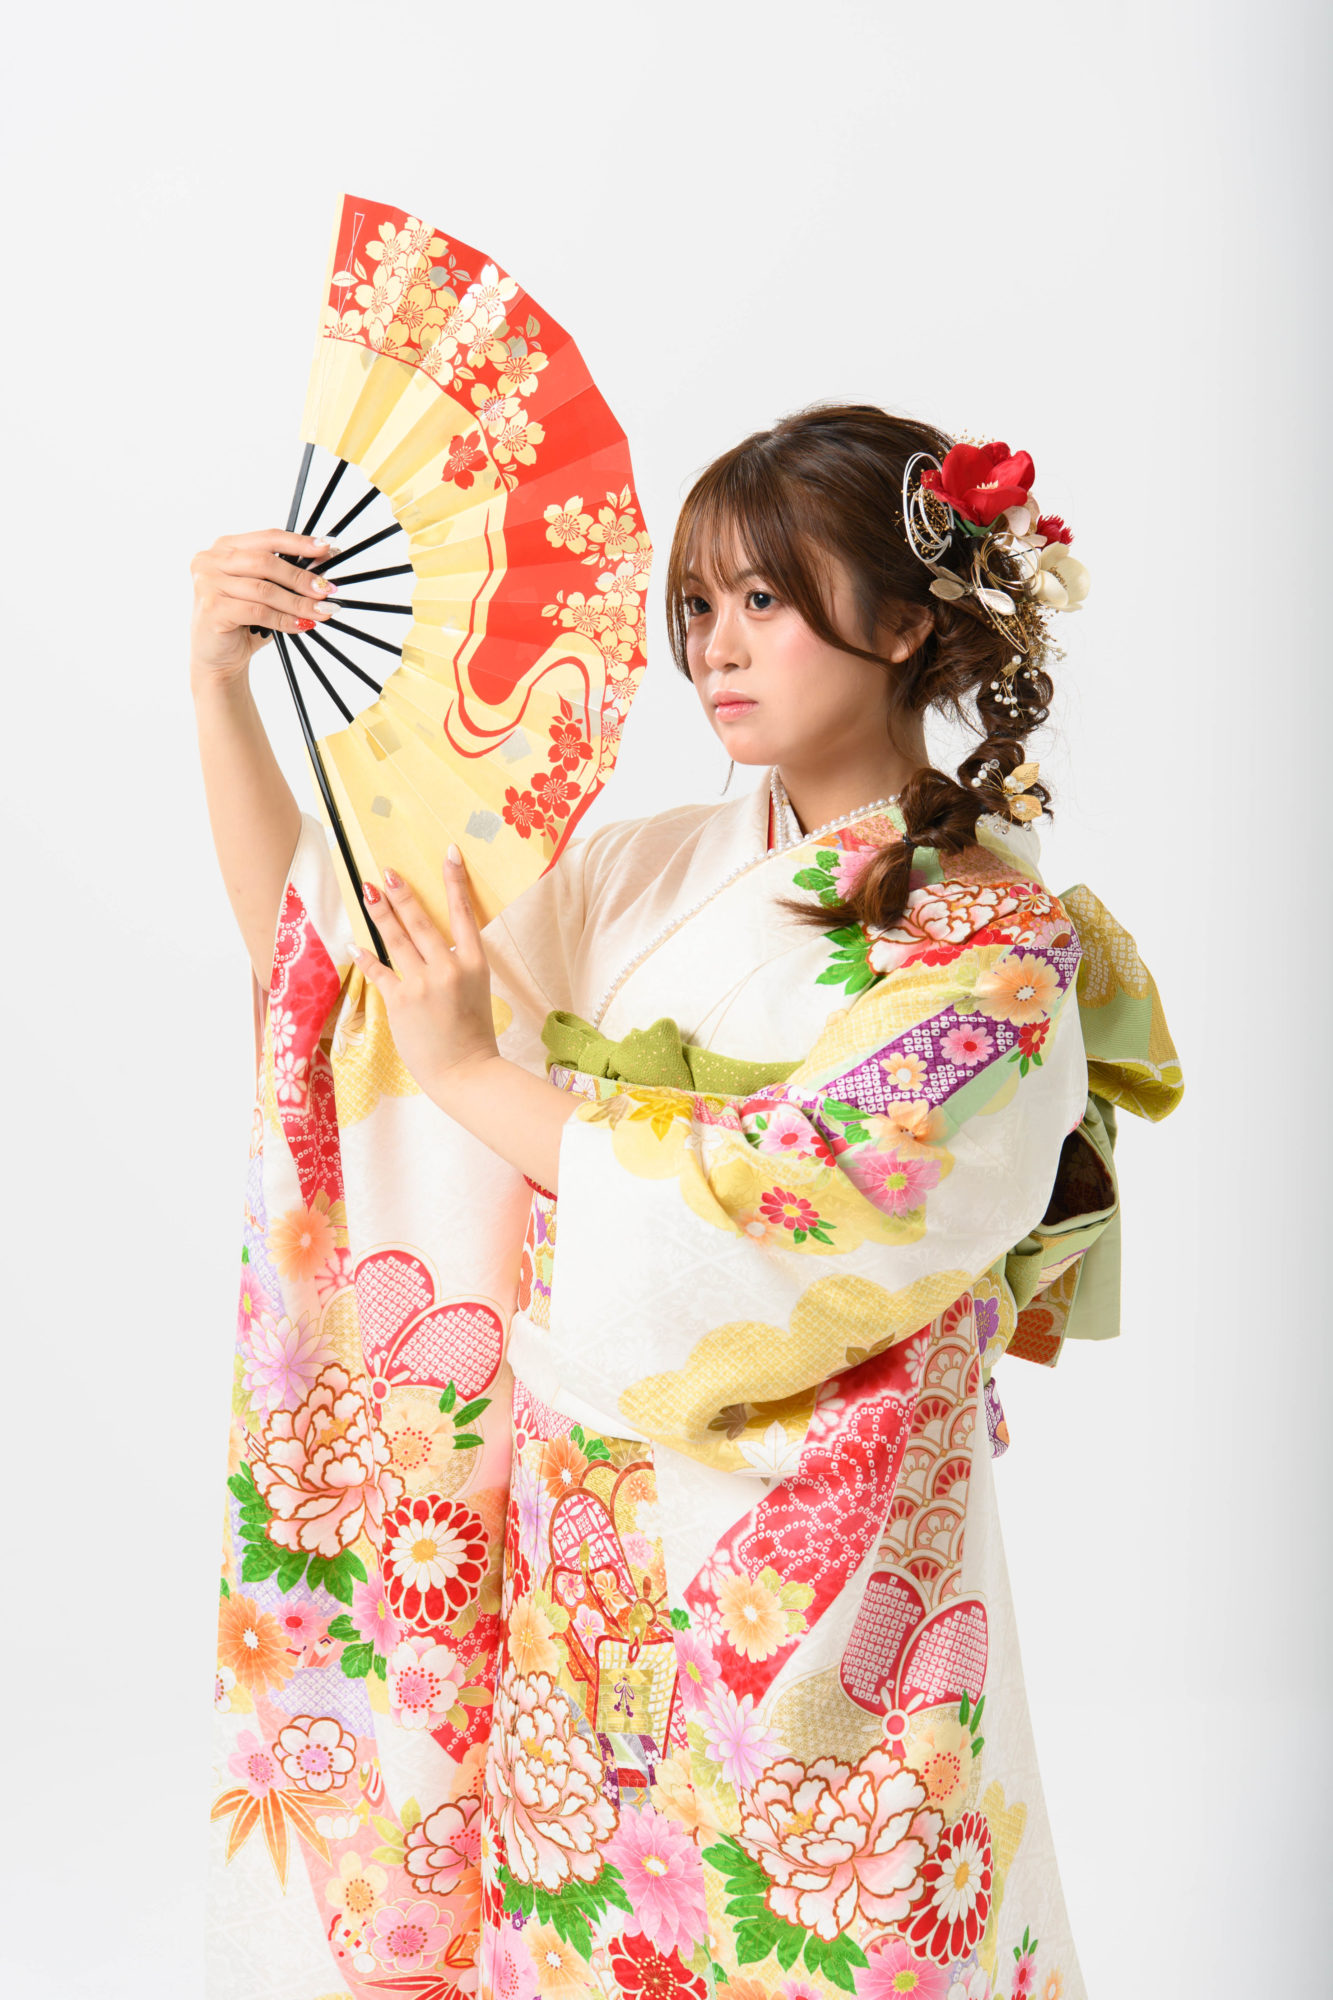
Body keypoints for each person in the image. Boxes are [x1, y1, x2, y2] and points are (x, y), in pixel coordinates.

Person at [196, 405, 1182, 2000]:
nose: (715, 646)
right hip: (586, 1527)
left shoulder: (991, 949)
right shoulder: (638, 871)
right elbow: (347, 998)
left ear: (906, 624)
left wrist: (475, 1072)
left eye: (765, 599)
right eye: (699, 604)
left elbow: (790, 1202)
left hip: (828, 1561)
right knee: (593, 1922)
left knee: (831, 1916)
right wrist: (220, 689)